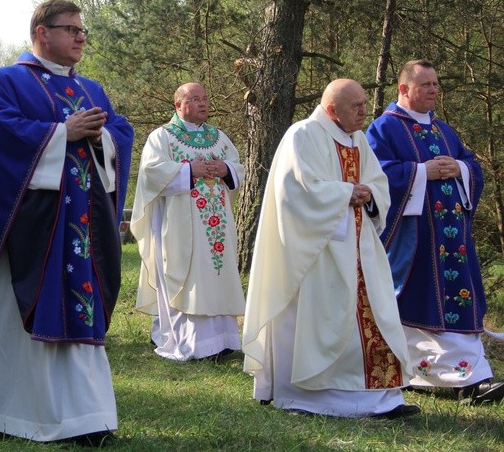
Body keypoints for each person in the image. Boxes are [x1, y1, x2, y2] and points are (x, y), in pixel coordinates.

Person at [0, 0, 134, 445]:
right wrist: (61, 133)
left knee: (75, 310)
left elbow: (120, 135)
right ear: (41, 32)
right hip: (22, 229)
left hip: (76, 224)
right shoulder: (7, 81)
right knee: (8, 321)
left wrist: (102, 138)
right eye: (70, 28)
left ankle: (82, 416)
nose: (80, 37)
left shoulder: (91, 89)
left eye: (82, 29)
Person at [242, 78, 419, 418]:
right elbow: (293, 191)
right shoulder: (303, 135)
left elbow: (378, 183)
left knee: (376, 314)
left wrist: (370, 194)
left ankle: (381, 399)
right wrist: (343, 194)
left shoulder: (359, 140)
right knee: (324, 319)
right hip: (316, 250)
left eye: (365, 104)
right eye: (357, 106)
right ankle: (311, 398)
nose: (364, 111)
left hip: (360, 247)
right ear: (332, 109)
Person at [365, 59, 504, 405]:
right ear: (404, 89)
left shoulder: (444, 130)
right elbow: (376, 176)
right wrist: (421, 172)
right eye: (425, 84)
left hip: (452, 240)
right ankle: (436, 377)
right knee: (419, 304)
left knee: (459, 300)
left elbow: (472, 164)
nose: (433, 90)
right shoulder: (384, 128)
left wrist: (458, 167)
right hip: (414, 243)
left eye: (436, 84)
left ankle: (472, 374)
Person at [131, 82, 246, 361]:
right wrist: (188, 170)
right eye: (195, 99)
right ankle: (190, 342)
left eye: (205, 98)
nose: (203, 103)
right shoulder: (163, 137)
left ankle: (224, 339)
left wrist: (226, 169)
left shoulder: (219, 137)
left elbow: (238, 167)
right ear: (178, 105)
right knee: (188, 275)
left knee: (217, 275)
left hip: (217, 227)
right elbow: (150, 173)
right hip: (180, 225)